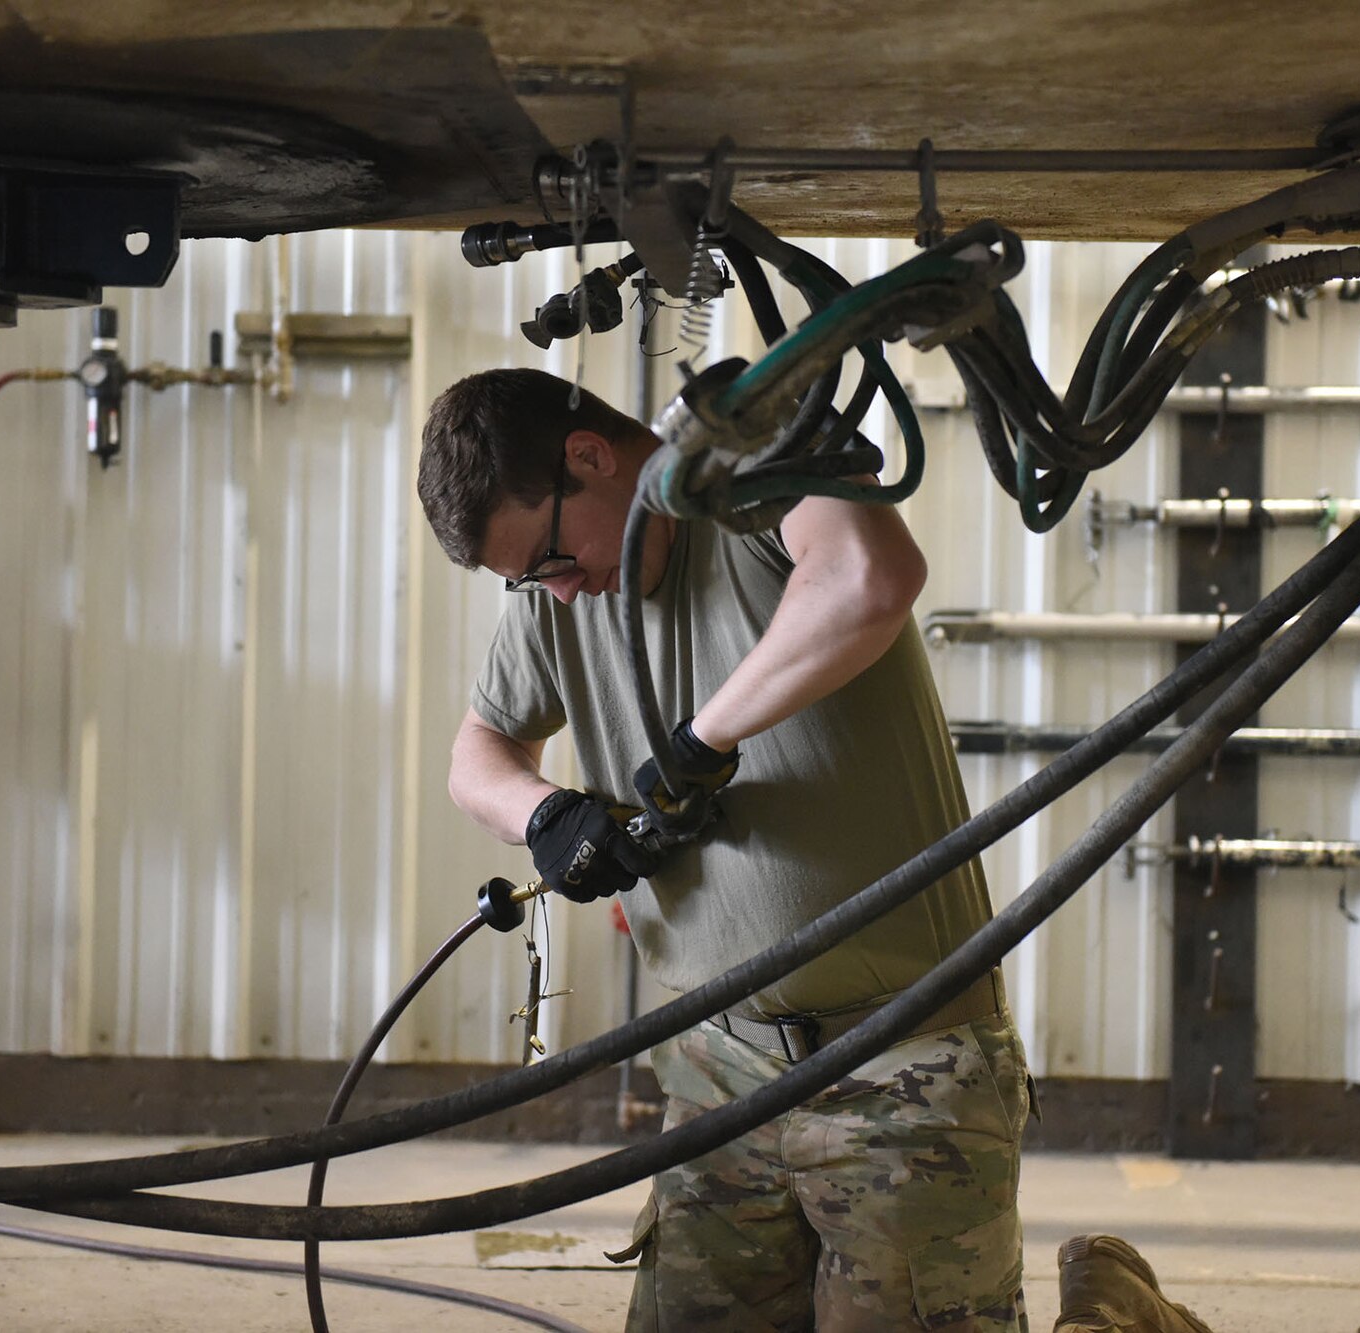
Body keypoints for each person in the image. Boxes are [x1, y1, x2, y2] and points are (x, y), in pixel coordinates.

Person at [417, 366, 1029, 1331]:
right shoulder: (557, 597)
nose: (560, 594)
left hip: (900, 1058)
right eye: (530, 580)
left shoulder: (746, 476)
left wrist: (704, 738)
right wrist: (545, 815)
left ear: (588, 457)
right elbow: (475, 758)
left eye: (550, 557)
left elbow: (872, 577)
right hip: (715, 1066)